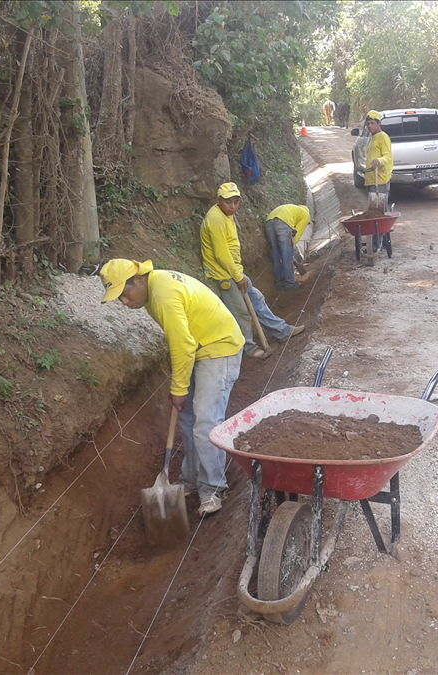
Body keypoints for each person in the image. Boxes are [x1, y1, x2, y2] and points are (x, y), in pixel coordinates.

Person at [99, 258, 243, 517]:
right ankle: (190, 480)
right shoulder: (153, 290)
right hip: (199, 348)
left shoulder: (163, 295)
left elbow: (182, 345)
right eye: (118, 297)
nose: (123, 302)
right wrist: (181, 386)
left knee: (205, 422)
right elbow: (184, 342)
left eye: (124, 293)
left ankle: (213, 488)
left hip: (219, 347)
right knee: (187, 419)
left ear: (139, 279)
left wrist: (179, 387)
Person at [200, 183, 305, 359]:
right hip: (224, 275)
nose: (233, 206)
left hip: (234, 271)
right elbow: (221, 255)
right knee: (241, 313)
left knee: (257, 300)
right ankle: (249, 348)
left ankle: (282, 331)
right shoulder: (216, 220)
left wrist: (238, 274)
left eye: (236, 202)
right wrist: (237, 276)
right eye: (228, 202)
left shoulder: (227, 215)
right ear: (218, 201)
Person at [264, 204, 310, 290]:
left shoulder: (294, 210)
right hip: (283, 223)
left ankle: (279, 282)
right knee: (287, 256)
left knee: (276, 255)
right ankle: (290, 284)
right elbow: (297, 234)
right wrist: (290, 249)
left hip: (269, 222)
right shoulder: (306, 215)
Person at [364, 110, 393, 212]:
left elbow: (388, 157)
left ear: (379, 123)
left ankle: (383, 227)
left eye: (372, 123)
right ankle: (377, 227)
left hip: (380, 179)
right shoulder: (372, 138)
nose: (370, 126)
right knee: (373, 209)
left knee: (379, 210)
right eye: (368, 124)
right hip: (372, 179)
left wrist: (379, 160)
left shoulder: (383, 137)